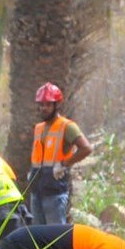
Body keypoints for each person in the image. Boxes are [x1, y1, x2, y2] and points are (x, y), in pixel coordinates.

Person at [28, 83, 93, 225]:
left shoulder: (67, 126)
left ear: (56, 105)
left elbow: (86, 148)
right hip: (36, 190)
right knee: (37, 236)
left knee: (55, 236)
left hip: (54, 192)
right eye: (41, 104)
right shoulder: (39, 128)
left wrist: (64, 164)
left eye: (48, 105)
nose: (43, 108)